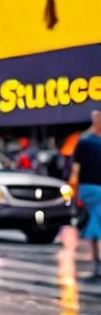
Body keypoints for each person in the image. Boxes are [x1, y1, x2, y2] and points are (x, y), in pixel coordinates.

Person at [70, 111, 101, 278]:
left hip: (89, 188)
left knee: (95, 222)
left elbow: (75, 171)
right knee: (96, 221)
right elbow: (75, 171)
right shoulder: (85, 141)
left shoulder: (84, 141)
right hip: (91, 188)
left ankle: (97, 263)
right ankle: (97, 262)